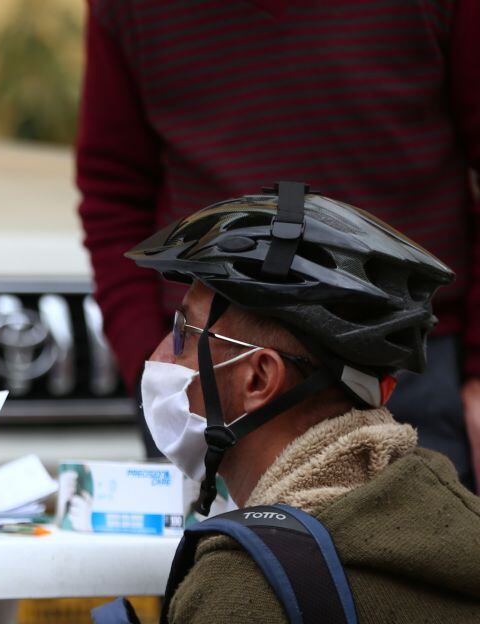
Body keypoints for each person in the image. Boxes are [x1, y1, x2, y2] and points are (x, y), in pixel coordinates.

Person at [76, 0, 480, 491]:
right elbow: (114, 188)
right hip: (210, 366)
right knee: (221, 566)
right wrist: (158, 362)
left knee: (413, 556)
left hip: (412, 361)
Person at [100, 185, 480, 622]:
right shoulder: (453, 520)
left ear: (258, 378)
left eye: (184, 330)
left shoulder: (243, 590)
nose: (158, 356)